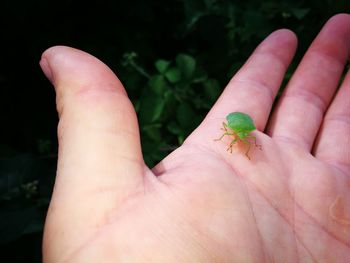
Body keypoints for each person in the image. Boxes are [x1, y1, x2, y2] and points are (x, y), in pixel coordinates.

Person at [40, 14, 350, 262]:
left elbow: (246, 134)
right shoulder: (237, 135)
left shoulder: (246, 135)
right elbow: (236, 133)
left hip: (243, 126)